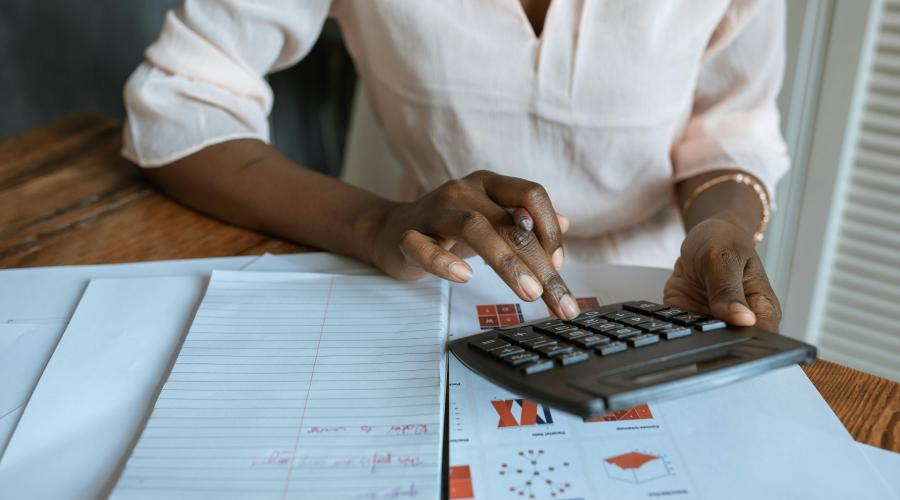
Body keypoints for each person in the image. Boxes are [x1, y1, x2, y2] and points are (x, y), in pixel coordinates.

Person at [123, 0, 786, 330]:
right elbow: (180, 102)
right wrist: (372, 225)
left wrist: (723, 226)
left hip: (665, 296)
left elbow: (731, 128)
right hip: (431, 281)